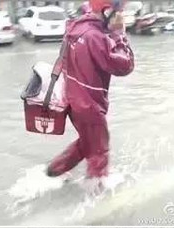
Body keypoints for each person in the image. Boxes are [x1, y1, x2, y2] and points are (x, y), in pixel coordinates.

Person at [46, 0, 135, 193]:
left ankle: (54, 170)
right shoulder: (97, 37)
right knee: (99, 150)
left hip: (72, 98)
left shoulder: (78, 27)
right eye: (120, 11)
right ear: (108, 11)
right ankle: (96, 193)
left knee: (88, 141)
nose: (122, 15)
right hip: (89, 105)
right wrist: (120, 34)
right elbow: (124, 66)